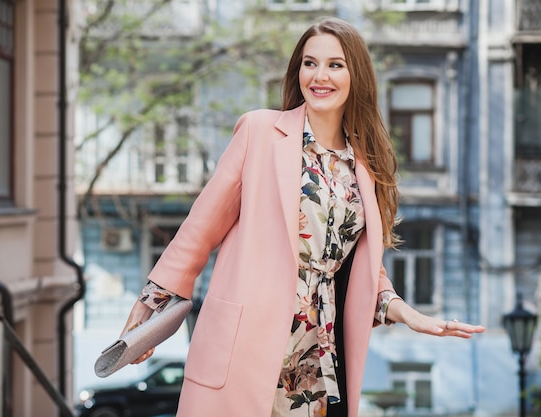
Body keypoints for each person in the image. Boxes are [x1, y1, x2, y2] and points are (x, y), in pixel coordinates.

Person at [119, 16, 485, 417]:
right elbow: (199, 229)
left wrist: (412, 317)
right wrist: (149, 304)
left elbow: (358, 267)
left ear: (356, 76)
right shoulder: (259, 132)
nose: (319, 76)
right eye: (310, 63)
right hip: (247, 346)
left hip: (316, 359)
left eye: (335, 64)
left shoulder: (365, 164)